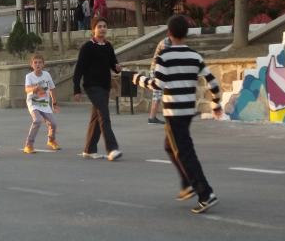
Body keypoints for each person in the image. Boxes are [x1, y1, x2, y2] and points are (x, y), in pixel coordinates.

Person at [133, 15, 222, 214]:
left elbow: (158, 84)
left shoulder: (165, 56)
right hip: (188, 110)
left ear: (169, 33)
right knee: (170, 146)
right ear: (186, 33)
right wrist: (216, 104)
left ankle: (205, 193)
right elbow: (213, 82)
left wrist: (137, 79)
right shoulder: (194, 56)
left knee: (184, 152)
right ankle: (187, 184)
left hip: (174, 111)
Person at [73, 16, 123, 161]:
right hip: (92, 86)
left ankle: (89, 149)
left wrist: (117, 68)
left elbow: (114, 64)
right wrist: (76, 89)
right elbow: (79, 69)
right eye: (99, 26)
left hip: (104, 86)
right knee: (104, 116)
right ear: (93, 29)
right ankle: (112, 149)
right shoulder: (88, 47)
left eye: (104, 26)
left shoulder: (108, 46)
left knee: (96, 118)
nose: (102, 29)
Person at [24, 54, 61, 153]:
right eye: (35, 62)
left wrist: (54, 103)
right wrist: (33, 89)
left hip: (44, 104)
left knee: (53, 123)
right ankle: (29, 145)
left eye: (39, 62)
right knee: (37, 120)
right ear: (32, 65)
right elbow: (27, 89)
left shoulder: (47, 75)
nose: (37, 64)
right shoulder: (29, 76)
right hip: (33, 102)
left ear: (43, 64)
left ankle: (51, 141)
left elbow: (52, 89)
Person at [147, 37, 171, 125]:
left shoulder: (174, 42)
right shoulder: (166, 42)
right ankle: (152, 117)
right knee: (157, 93)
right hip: (157, 70)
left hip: (162, 70)